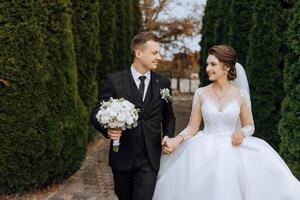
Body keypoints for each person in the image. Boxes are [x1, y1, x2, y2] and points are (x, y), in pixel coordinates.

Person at [153, 45, 300, 200]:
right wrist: (177, 139)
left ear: (227, 67)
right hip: (204, 150)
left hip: (233, 148)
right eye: (207, 64)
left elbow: (250, 125)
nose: (208, 68)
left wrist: (241, 132)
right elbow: (192, 128)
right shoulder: (201, 93)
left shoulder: (240, 95)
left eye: (213, 64)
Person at [90, 31, 176, 200]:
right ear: (138, 53)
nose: (159, 57)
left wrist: (168, 135)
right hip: (122, 156)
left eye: (159, 52)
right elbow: (96, 113)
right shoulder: (114, 81)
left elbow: (169, 117)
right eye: (154, 53)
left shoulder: (163, 82)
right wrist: (108, 130)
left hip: (150, 158)